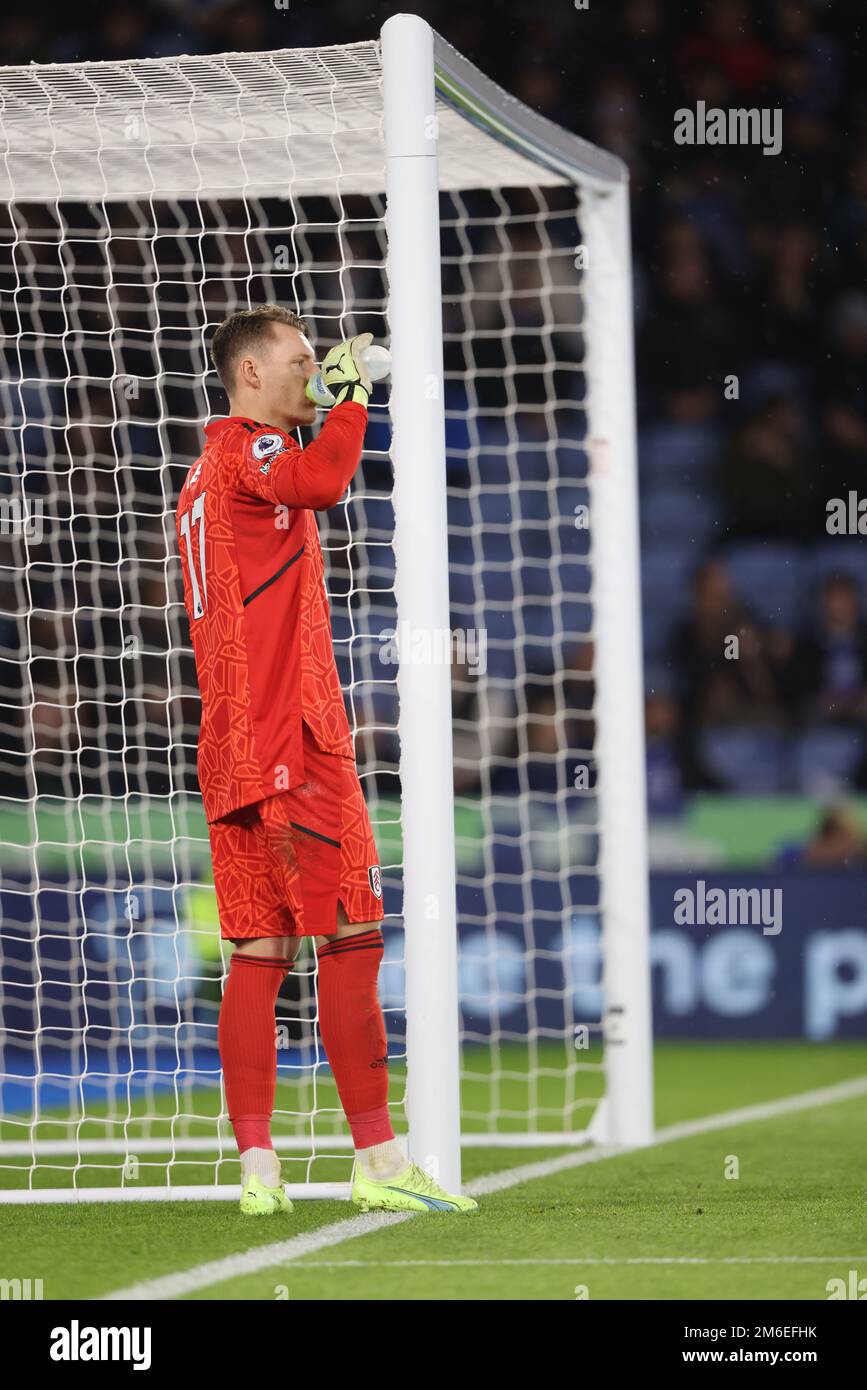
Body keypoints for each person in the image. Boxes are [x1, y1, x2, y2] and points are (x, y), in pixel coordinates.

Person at [175, 304, 475, 1217]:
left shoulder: (198, 480)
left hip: (229, 750)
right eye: (301, 362)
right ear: (250, 376)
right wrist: (350, 402)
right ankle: (379, 1163)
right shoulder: (248, 449)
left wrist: (329, 392)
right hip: (290, 740)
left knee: (257, 957)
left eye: (321, 362)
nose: (315, 372)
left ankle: (258, 1170)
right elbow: (320, 481)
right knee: (351, 937)